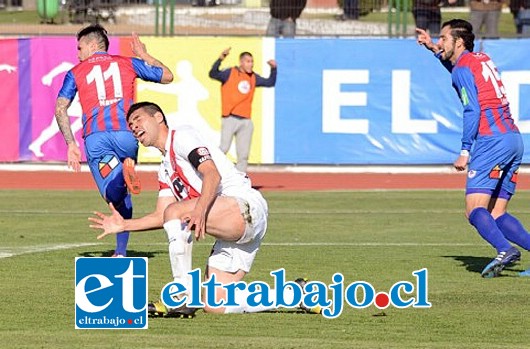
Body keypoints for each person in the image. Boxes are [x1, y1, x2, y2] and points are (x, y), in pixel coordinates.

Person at [88, 102, 318, 317]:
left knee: (177, 211)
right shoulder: (165, 170)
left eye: (138, 119)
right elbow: (163, 216)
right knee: (215, 304)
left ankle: (181, 296)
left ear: (158, 117)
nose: (134, 127)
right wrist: (125, 225)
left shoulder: (182, 136)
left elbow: (212, 173)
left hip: (244, 206)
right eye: (130, 125)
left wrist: (199, 210)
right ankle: (295, 294)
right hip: (229, 226)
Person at [416, 19, 530, 278]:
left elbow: (472, 109)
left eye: (443, 38)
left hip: (491, 142)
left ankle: (504, 249)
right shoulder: (480, 58)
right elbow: (460, 68)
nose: (440, 41)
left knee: (473, 209)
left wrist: (465, 149)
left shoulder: (461, 70)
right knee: (496, 212)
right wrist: (434, 48)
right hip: (513, 139)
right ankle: (508, 247)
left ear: (458, 41)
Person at [55, 24, 173, 257]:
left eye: (79, 48)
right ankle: (120, 253)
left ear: (92, 45)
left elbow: (60, 108)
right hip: (127, 135)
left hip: (97, 139)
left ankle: (120, 175)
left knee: (111, 194)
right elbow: (167, 76)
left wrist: (70, 143)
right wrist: (144, 55)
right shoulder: (126, 62)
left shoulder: (76, 71)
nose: (77, 53)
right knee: (124, 199)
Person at [209, 48, 277, 173]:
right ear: (241, 62)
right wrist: (220, 59)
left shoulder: (253, 77)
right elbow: (213, 74)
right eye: (248, 61)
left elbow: (269, 82)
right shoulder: (230, 73)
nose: (251, 64)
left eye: (252, 61)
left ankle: (239, 181)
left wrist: (273, 69)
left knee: (243, 155)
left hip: (246, 120)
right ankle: (210, 173)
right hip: (230, 118)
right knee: (223, 148)